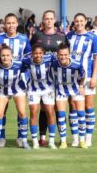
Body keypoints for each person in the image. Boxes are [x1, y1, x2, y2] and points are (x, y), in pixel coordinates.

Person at [0, 13, 32, 147]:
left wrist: (25, 76)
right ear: (5, 24)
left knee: (21, 112)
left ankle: (21, 138)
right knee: (0, 112)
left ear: (17, 24)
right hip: (2, 83)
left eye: (13, 23)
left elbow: (28, 59)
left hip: (17, 83)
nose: (11, 25)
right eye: (8, 23)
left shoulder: (23, 38)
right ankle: (0, 138)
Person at [30, 10, 68, 147]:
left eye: (51, 18)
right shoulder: (37, 35)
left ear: (54, 20)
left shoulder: (62, 36)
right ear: (43, 20)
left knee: (57, 109)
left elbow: (66, 55)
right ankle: (42, 136)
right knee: (42, 109)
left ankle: (61, 138)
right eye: (46, 18)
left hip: (59, 79)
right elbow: (31, 54)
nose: (49, 21)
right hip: (42, 81)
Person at [67, 13, 97, 147]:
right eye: (76, 21)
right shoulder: (69, 36)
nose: (79, 23)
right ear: (74, 22)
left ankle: (88, 137)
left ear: (85, 21)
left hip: (87, 78)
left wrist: (94, 77)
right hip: (72, 78)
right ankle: (75, 138)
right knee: (73, 107)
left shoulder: (93, 37)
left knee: (88, 107)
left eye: (81, 21)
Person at [0, 44, 31, 149]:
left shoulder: (19, 64)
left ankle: (23, 140)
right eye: (3, 56)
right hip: (2, 91)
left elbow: (32, 66)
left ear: (12, 56)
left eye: (7, 55)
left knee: (22, 112)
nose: (5, 57)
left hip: (17, 89)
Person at [50, 43, 87, 149]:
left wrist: (81, 86)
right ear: (57, 55)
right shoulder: (54, 64)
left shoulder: (76, 64)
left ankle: (81, 140)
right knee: (61, 115)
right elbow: (51, 76)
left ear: (69, 54)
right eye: (61, 55)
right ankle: (63, 141)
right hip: (61, 91)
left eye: (65, 54)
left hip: (75, 90)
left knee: (81, 114)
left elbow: (83, 76)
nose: (63, 57)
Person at [22, 44, 57, 149]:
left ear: (43, 54)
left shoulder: (50, 58)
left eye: (40, 53)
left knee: (50, 112)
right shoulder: (27, 61)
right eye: (35, 53)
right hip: (33, 89)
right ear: (32, 54)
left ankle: (51, 141)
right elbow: (18, 67)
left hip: (48, 89)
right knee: (33, 112)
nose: (37, 55)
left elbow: (61, 58)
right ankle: (34, 141)